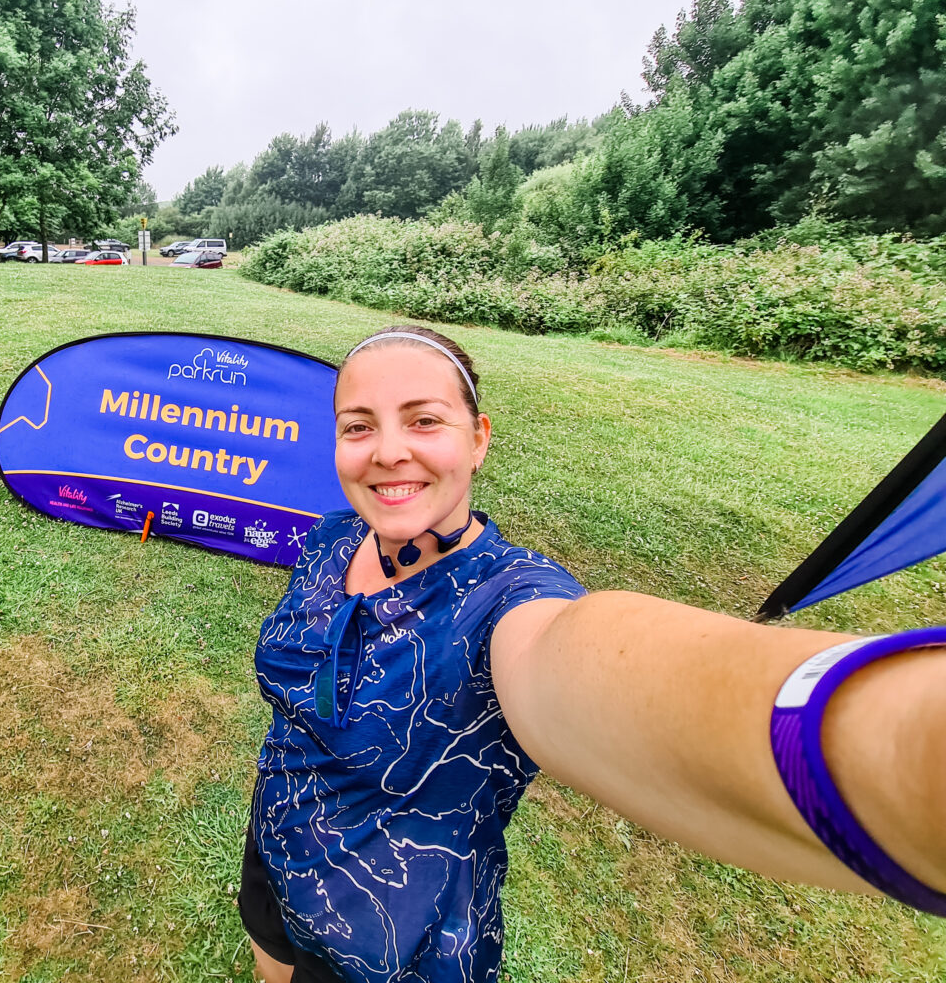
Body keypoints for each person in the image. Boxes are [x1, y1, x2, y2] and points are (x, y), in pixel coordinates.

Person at [238, 324, 946, 983]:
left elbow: (580, 664)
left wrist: (889, 738)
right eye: (358, 427)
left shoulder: (508, 601)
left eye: (424, 420)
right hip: (272, 855)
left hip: (393, 943)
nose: (388, 450)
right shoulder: (331, 540)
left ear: (479, 438)